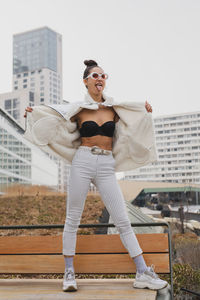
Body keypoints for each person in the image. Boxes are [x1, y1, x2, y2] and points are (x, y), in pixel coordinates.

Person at [24, 59, 168, 292]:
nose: (100, 79)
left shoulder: (114, 109)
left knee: (122, 219)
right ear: (86, 81)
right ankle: (69, 273)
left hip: (106, 164)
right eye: (95, 76)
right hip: (82, 161)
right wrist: (33, 114)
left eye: (103, 76)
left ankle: (142, 272)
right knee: (73, 219)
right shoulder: (78, 109)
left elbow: (133, 122)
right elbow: (55, 118)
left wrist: (144, 111)